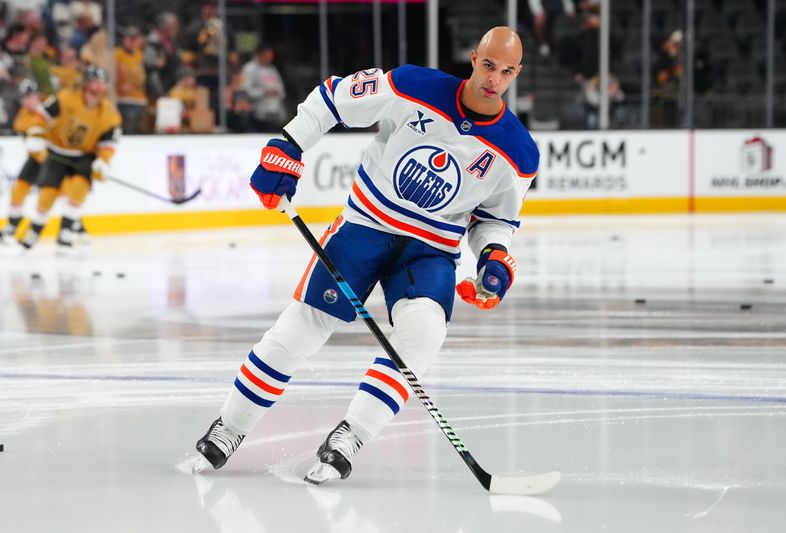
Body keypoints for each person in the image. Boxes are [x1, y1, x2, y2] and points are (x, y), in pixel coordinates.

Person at [192, 26, 538, 486]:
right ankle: (230, 427)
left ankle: (349, 436)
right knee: (301, 328)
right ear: (474, 58)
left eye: (506, 71)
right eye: (489, 65)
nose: (494, 79)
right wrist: (288, 145)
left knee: (423, 333)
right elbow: (333, 98)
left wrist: (494, 258)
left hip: (430, 252)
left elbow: (494, 221)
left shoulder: (519, 152)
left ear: (518, 73)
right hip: (365, 228)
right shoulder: (414, 86)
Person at [14, 65, 121, 248]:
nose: (99, 86)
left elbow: (108, 143)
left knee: (78, 191)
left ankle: (66, 231)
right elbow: (43, 116)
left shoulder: (110, 114)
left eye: (102, 83)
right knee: (47, 193)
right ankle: (35, 231)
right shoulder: (66, 98)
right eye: (95, 82)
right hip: (56, 152)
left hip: (83, 156)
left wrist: (103, 161)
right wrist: (36, 134)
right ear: (86, 83)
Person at [0, 79, 47, 244]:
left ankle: (77, 226)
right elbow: (20, 126)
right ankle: (12, 225)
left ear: (37, 96)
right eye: (23, 98)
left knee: (58, 195)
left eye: (29, 97)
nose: (26, 101)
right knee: (19, 189)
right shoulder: (23, 114)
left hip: (52, 161)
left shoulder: (47, 111)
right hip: (35, 159)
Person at [241, 43, 286, 132]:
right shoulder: (250, 69)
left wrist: (276, 92)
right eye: (267, 55)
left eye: (271, 55)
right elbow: (245, 90)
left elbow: (281, 90)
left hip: (275, 113)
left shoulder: (272, 69)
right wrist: (264, 92)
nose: (270, 58)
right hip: (257, 113)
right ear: (260, 54)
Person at [114, 26, 147, 133]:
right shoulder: (117, 54)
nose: (132, 42)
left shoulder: (139, 54)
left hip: (140, 99)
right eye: (129, 39)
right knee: (126, 132)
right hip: (124, 100)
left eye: (135, 39)